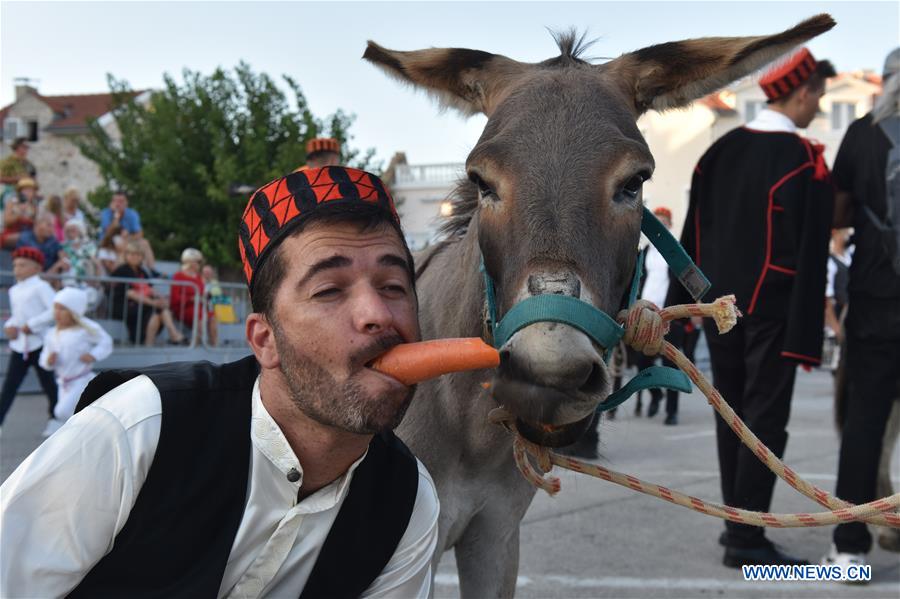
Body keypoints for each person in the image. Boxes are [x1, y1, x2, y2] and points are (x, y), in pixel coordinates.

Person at [0, 165, 439, 597]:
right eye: (329, 290)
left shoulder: (408, 500)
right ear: (265, 340)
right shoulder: (141, 429)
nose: (378, 314)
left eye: (394, 286)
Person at [670, 48, 835, 567]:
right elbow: (812, 254)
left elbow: (689, 235)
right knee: (765, 422)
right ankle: (747, 538)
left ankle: (737, 525)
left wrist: (683, 312)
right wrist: (806, 334)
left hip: (719, 309)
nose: (819, 110)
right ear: (802, 93)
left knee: (731, 418)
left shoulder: (716, 153)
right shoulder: (803, 160)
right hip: (773, 313)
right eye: (820, 100)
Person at [822, 47, 900, 575]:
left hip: (877, 300)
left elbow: (838, 212)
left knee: (864, 425)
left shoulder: (863, 133)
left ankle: (849, 550)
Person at [0, 247, 58, 438]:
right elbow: (17, 315)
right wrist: (10, 326)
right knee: (10, 386)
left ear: (36, 268)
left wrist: (32, 325)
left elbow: (53, 311)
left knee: (48, 384)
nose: (17, 269)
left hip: (40, 344)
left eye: (23, 265)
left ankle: (55, 419)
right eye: (16, 265)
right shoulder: (15, 289)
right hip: (20, 346)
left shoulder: (41, 287)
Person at [39, 287, 112, 429]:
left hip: (82, 379)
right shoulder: (51, 333)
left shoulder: (85, 329)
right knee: (70, 415)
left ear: (74, 312)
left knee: (61, 412)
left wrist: (93, 355)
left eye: (63, 309)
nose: (57, 313)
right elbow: (44, 357)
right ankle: (85, 432)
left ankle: (90, 426)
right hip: (63, 383)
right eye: (56, 308)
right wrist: (48, 361)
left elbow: (106, 341)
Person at [110, 241, 186, 346]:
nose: (134, 257)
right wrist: (153, 303)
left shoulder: (142, 271)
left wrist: (161, 298)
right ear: (126, 255)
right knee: (156, 309)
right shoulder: (122, 270)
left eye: (138, 255)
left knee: (159, 309)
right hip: (124, 306)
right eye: (131, 254)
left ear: (142, 257)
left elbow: (149, 289)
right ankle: (171, 335)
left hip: (140, 305)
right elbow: (131, 293)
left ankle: (153, 340)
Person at [170, 247, 218, 346]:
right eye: (198, 262)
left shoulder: (198, 278)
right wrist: (191, 299)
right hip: (183, 309)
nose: (199, 264)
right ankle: (196, 346)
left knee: (212, 318)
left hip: (198, 308)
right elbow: (174, 298)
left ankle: (214, 347)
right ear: (190, 262)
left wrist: (204, 297)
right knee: (199, 317)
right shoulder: (178, 276)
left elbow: (201, 294)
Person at [1, 177, 39, 249]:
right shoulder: (12, 203)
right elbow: (6, 222)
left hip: (28, 235)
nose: (28, 193)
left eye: (30, 190)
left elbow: (35, 225)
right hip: (12, 234)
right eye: (25, 190)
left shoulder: (34, 207)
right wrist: (20, 213)